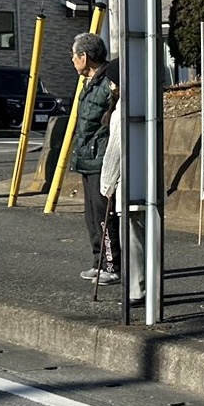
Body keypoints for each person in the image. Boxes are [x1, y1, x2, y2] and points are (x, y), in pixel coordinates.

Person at [70, 34, 120, 286]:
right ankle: (97, 262)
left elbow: (99, 121)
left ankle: (111, 265)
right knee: (91, 215)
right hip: (88, 158)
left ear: (85, 57)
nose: (72, 60)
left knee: (104, 215)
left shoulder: (107, 82)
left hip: (101, 158)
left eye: (74, 55)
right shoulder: (91, 82)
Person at [99, 89, 146, 304]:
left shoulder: (121, 111)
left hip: (129, 185)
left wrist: (107, 184)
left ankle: (136, 290)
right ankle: (147, 287)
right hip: (148, 183)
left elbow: (115, 151)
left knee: (133, 239)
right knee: (146, 239)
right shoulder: (145, 102)